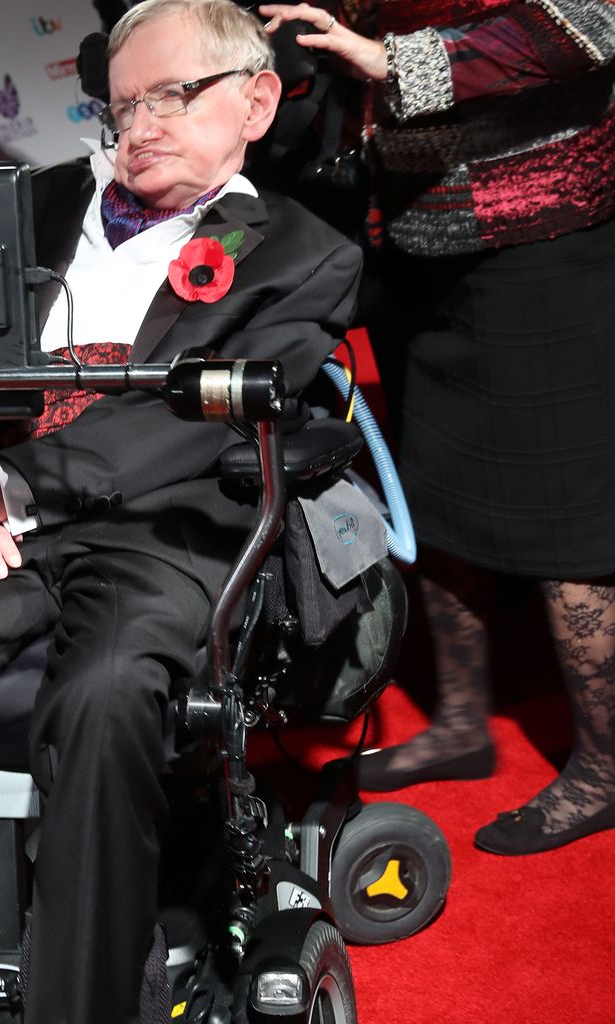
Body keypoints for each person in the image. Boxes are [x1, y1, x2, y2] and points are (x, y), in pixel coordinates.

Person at [0, 2, 362, 1022]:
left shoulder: (304, 255)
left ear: (257, 101)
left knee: (102, 700)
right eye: (124, 104)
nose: (141, 124)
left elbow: (186, 428)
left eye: (172, 95)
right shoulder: (24, 205)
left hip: (163, 531)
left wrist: (4, 489)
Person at [260, 2, 615, 855]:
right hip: (414, 226)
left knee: (563, 518)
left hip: (543, 227)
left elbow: (593, 23)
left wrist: (393, 63)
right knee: (435, 496)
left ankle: (607, 768)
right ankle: (461, 725)